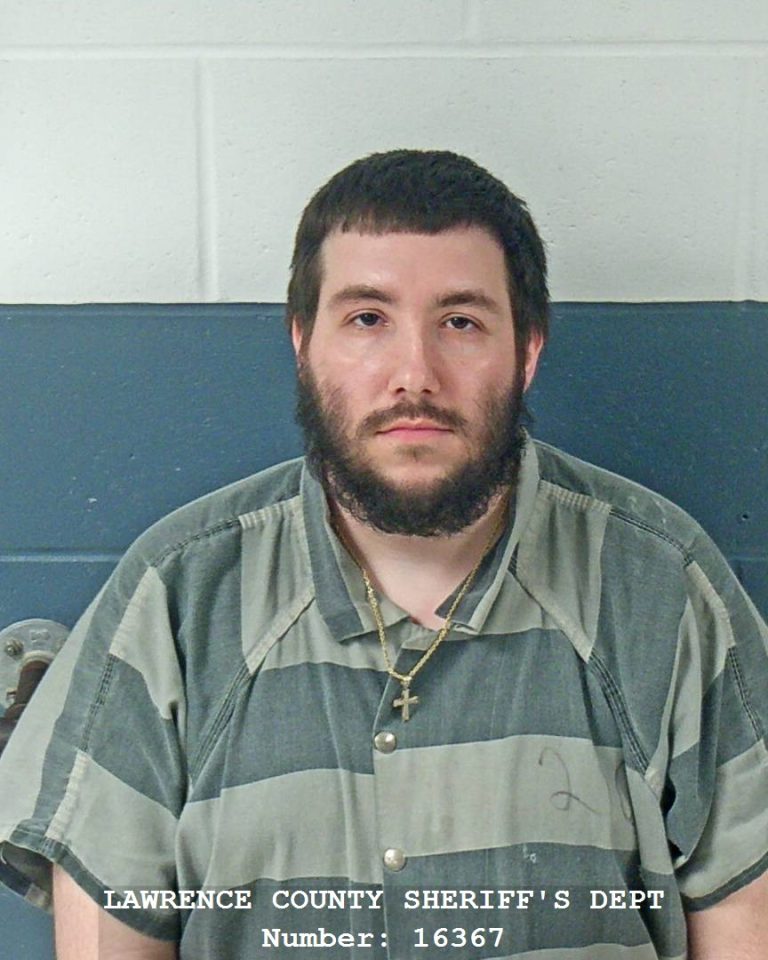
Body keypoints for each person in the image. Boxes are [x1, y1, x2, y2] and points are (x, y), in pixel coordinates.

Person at [0, 149, 766, 960]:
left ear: (528, 350)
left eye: (460, 322)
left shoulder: (664, 586)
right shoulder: (175, 598)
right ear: (303, 343)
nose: (414, 375)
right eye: (368, 319)